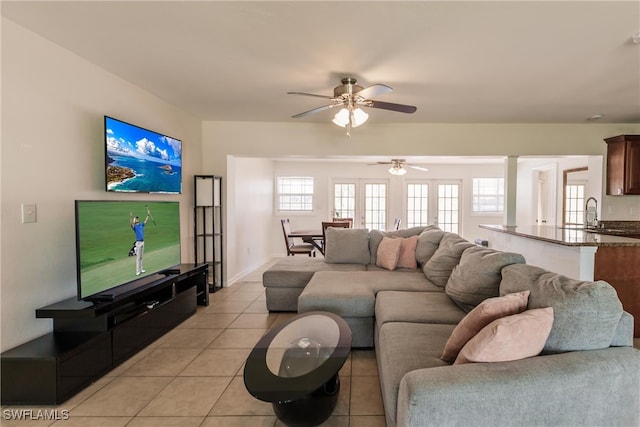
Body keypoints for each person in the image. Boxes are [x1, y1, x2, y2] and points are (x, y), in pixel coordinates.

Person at [130, 208, 150, 275]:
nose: (138, 219)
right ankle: (137, 271)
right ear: (135, 221)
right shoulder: (135, 227)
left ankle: (141, 269)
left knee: (141, 257)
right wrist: (131, 217)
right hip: (138, 243)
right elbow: (131, 225)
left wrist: (148, 215)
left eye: (138, 219)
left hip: (142, 242)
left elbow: (146, 221)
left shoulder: (141, 225)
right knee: (138, 257)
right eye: (136, 219)